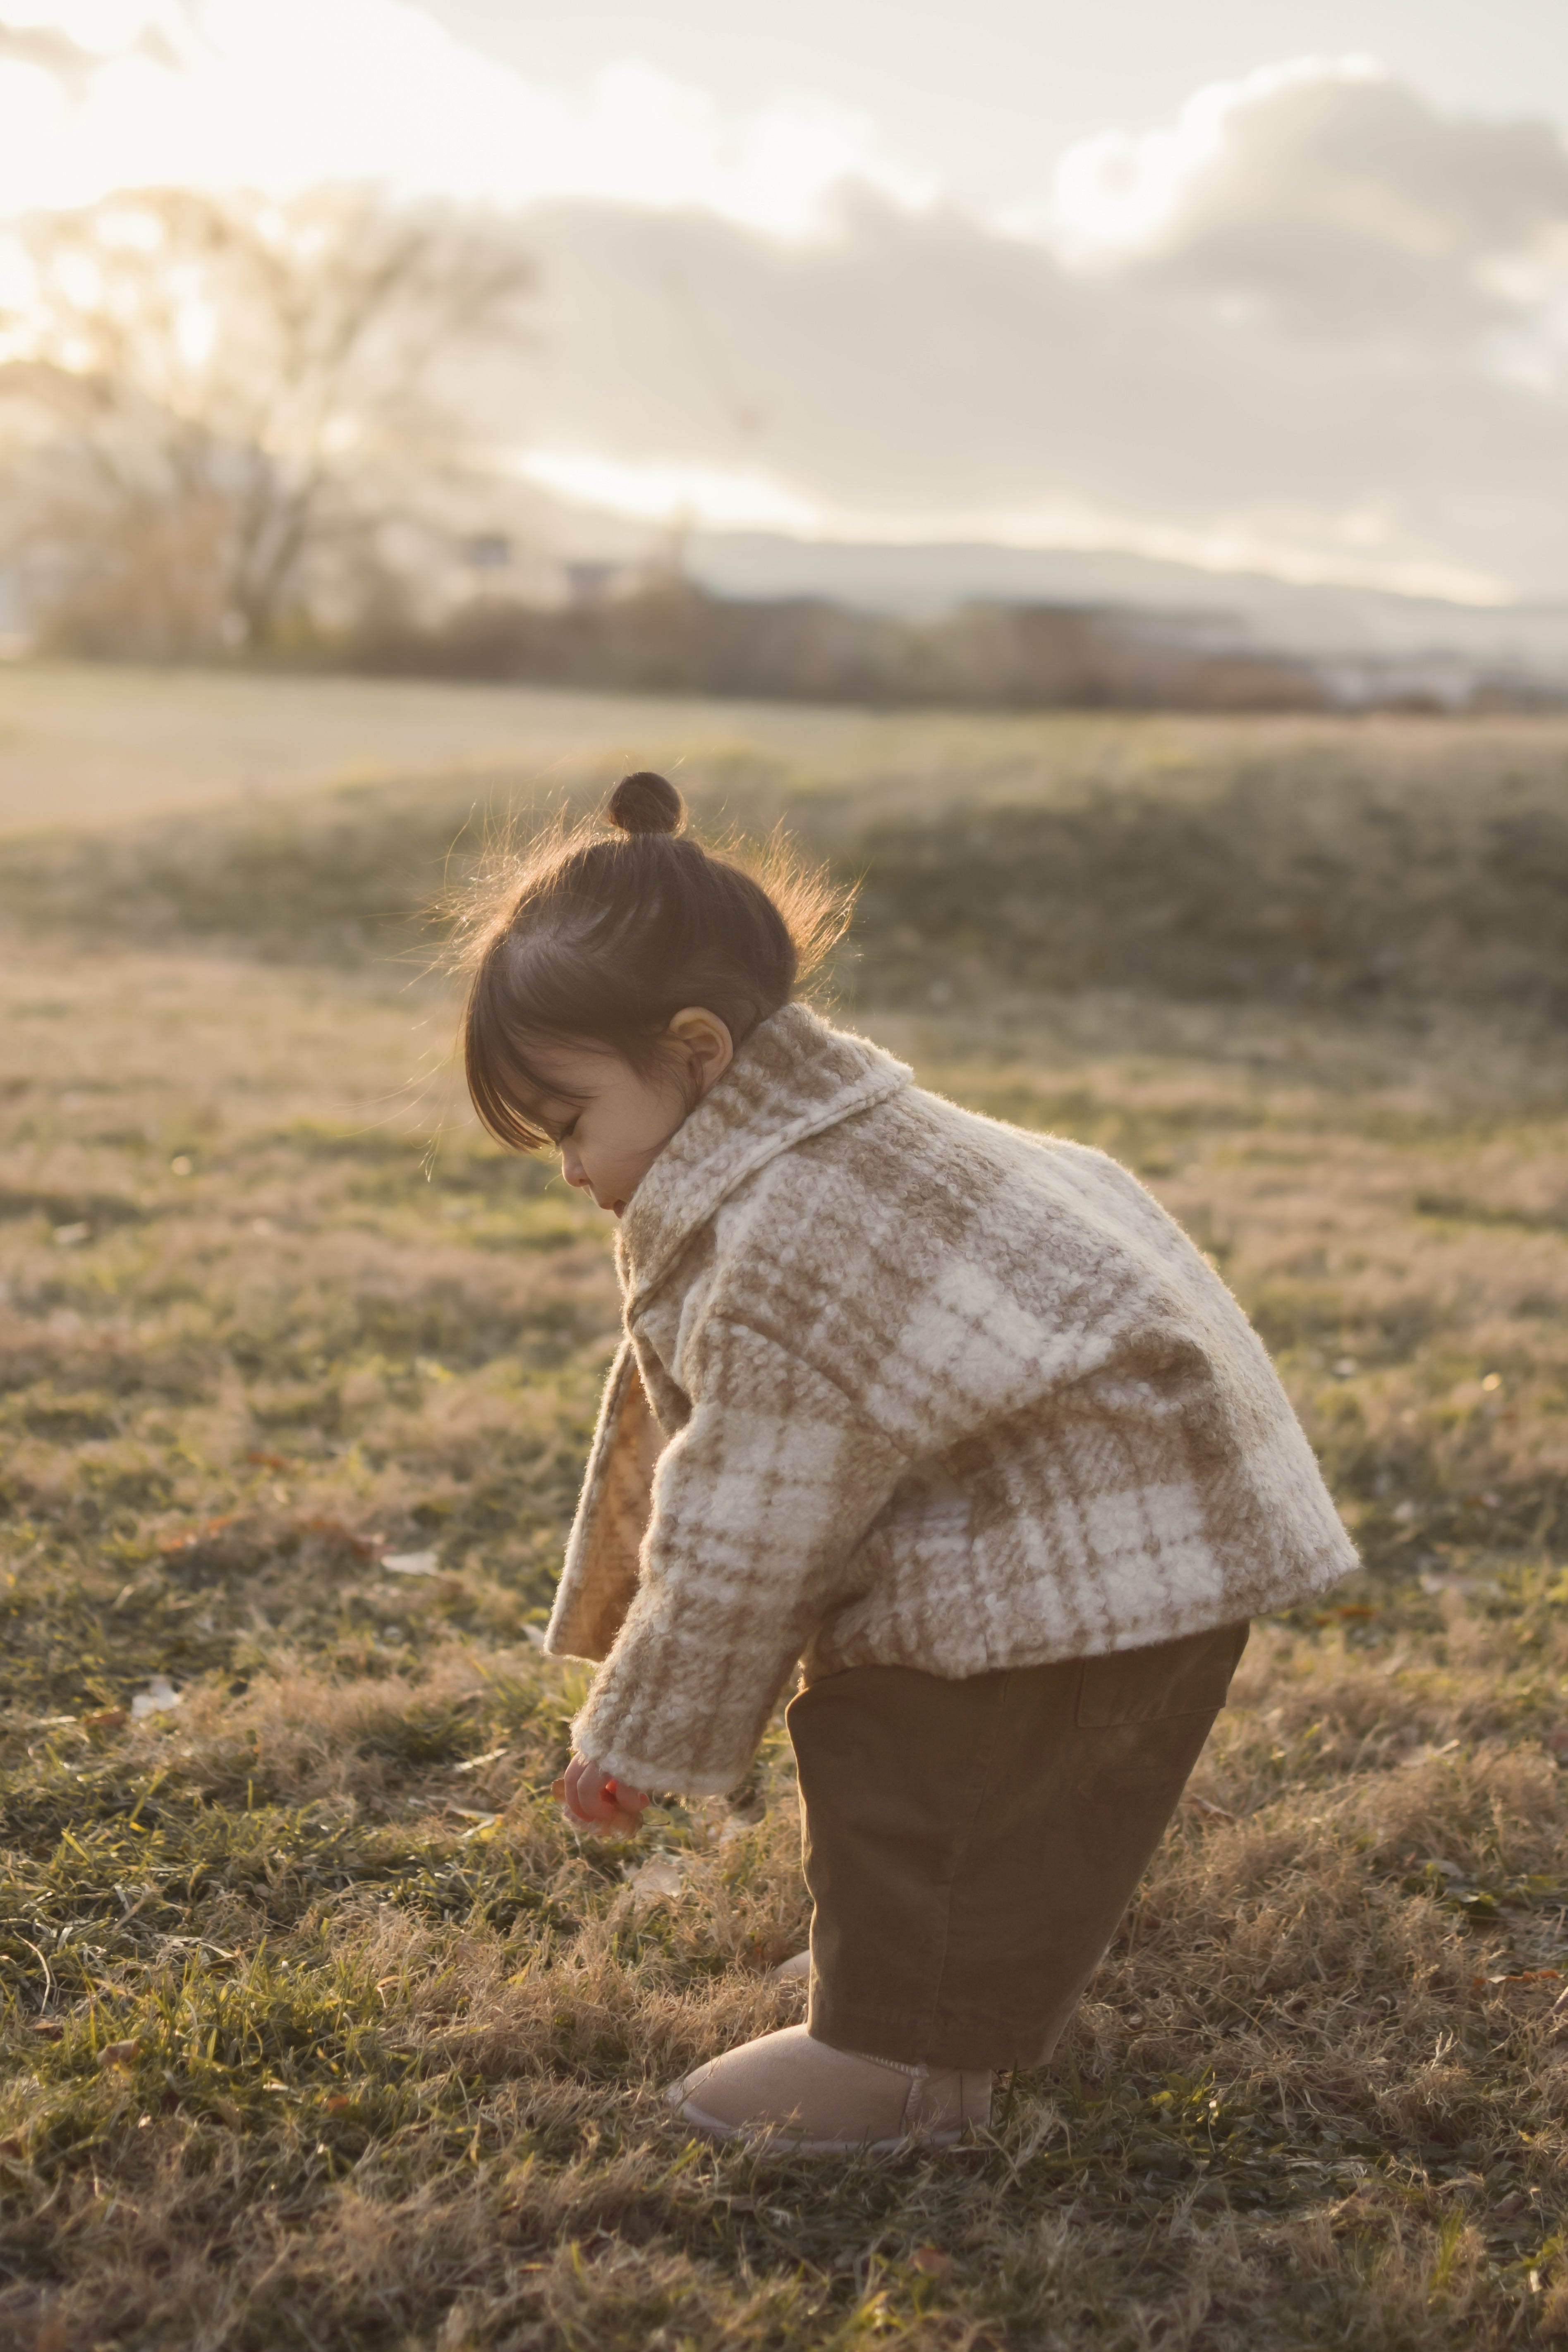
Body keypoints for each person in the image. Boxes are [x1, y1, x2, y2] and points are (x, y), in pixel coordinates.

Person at [456, 769, 1357, 2155]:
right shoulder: (839, 1144)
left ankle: (910, 2066)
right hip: (1132, 1520)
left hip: (1074, 1560)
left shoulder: (795, 1230)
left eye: (571, 1122)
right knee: (963, 1789)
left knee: (933, 1766)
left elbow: (746, 1529)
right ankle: (913, 1971)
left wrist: (639, 1731)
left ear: (699, 1050)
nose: (569, 1168)